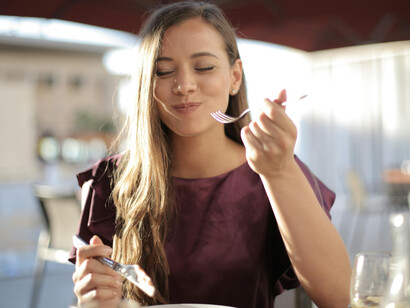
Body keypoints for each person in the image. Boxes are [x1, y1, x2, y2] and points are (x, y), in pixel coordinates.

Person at [69, 1, 351, 307]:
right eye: (163, 71)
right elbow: (99, 293)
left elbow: (338, 296)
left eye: (204, 67)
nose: (184, 86)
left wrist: (279, 172)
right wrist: (93, 299)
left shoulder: (273, 170)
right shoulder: (110, 181)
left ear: (235, 77)